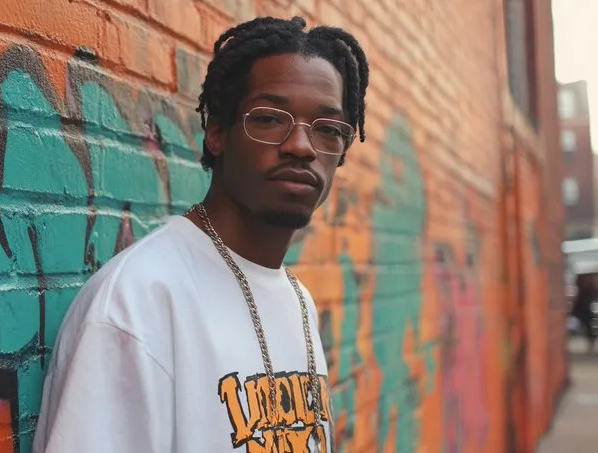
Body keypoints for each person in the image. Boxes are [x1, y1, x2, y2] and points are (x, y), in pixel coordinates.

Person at [32, 15, 369, 453]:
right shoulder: (139, 301)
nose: (302, 146)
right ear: (217, 133)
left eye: (328, 129)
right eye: (269, 119)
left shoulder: (297, 300)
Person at [571, 272, 597, 352]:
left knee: (584, 326)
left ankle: (590, 339)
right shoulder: (587, 288)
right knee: (579, 325)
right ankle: (590, 339)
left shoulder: (587, 289)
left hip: (583, 311)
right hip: (582, 311)